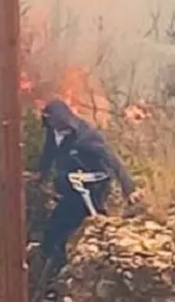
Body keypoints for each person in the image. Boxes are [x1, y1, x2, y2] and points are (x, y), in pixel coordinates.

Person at [35, 98, 141, 271]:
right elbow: (49, 152)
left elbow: (111, 160)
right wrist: (41, 175)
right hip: (69, 190)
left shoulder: (87, 137)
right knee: (54, 230)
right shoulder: (53, 131)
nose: (52, 124)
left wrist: (129, 189)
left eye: (53, 120)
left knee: (70, 227)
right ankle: (50, 269)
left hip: (91, 189)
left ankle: (62, 271)